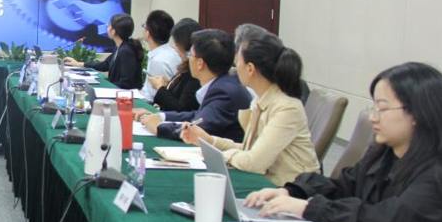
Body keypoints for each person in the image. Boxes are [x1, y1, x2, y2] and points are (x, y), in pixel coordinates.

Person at [246, 62, 442, 222]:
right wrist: (293, 191)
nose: (373, 117)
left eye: (382, 108)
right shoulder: (384, 153)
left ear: (418, 113)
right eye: (374, 107)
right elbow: (344, 185)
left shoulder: (438, 172)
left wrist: (309, 208)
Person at [180, 32, 319, 186]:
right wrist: (210, 141)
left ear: (250, 69)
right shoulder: (260, 100)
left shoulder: (287, 108)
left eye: (238, 62)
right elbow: (250, 149)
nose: (234, 68)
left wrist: (221, 156)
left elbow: (254, 161)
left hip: (293, 190)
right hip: (271, 184)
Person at [136, 29, 250, 142]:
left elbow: (196, 129)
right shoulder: (224, 83)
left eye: (190, 54)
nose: (187, 58)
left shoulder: (224, 92)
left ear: (200, 63)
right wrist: (161, 116)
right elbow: (198, 116)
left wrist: (158, 127)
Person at [64, 13, 144, 90]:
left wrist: (105, 87)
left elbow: (127, 83)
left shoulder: (126, 51)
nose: (107, 27)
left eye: (109, 25)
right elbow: (105, 65)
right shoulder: (119, 47)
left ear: (114, 31)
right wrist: (79, 64)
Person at [149, 17, 201, 112]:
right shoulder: (185, 66)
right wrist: (167, 85)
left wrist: (160, 88)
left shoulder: (195, 73)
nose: (176, 50)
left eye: (177, 45)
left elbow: (181, 108)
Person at [139, 10, 180, 102]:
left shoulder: (158, 61)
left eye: (144, 26)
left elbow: (153, 96)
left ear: (148, 33)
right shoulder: (171, 52)